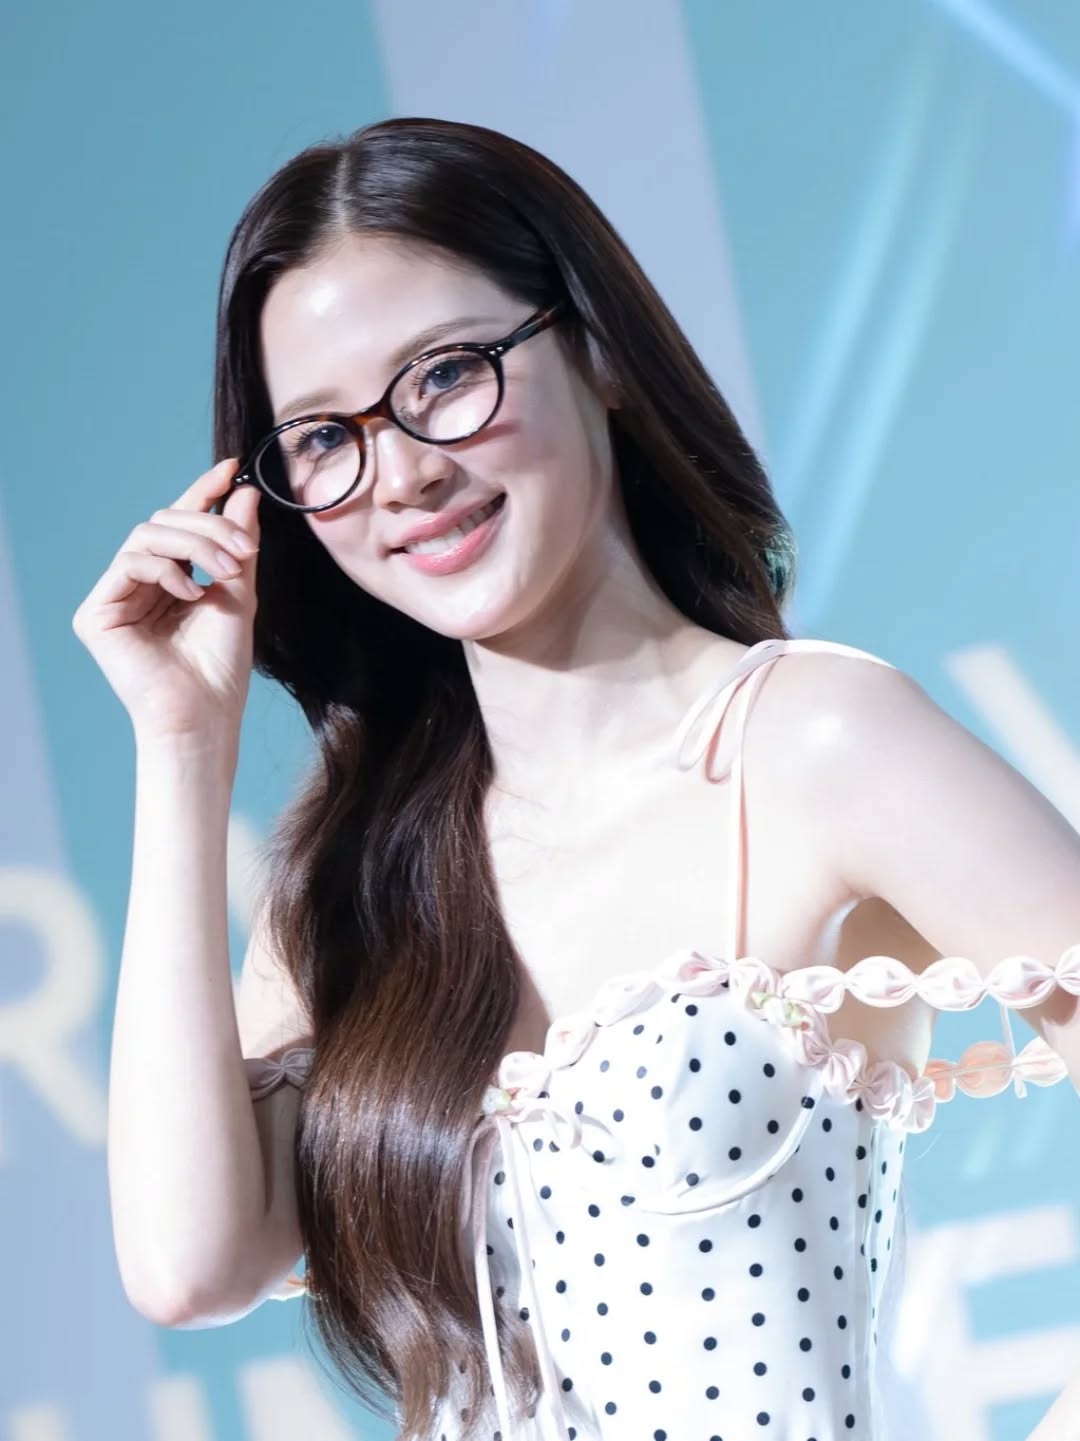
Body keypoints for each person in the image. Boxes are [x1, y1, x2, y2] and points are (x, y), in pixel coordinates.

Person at [72, 116, 1080, 1441]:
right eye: (322, 438)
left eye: (445, 375)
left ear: (595, 348)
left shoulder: (816, 741)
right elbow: (191, 1268)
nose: (403, 473)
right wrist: (180, 744)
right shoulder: (355, 868)